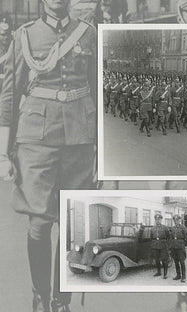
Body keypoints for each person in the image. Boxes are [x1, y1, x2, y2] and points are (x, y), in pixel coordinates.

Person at [0, 0, 96, 310]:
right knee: (39, 226)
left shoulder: (88, 33)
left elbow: (100, 93)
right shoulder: (24, 36)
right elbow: (9, 98)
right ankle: (41, 294)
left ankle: (61, 300)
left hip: (81, 139)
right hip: (36, 141)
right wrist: (3, 153)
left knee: (72, 226)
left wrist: (107, 158)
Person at [170, 215, 187, 283]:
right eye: (175, 220)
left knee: (182, 261)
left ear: (180, 220)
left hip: (180, 247)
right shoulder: (172, 228)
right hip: (174, 247)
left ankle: (183, 276)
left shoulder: (183, 227)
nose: (176, 221)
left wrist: (183, 244)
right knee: (176, 261)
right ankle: (178, 275)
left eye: (177, 220)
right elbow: (171, 237)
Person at [150, 213, 171, 279]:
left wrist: (167, 245)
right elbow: (151, 237)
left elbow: (169, 237)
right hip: (155, 245)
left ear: (161, 220)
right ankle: (159, 272)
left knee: (164, 260)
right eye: (156, 219)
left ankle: (165, 274)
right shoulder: (152, 228)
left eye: (159, 219)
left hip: (163, 246)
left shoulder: (165, 228)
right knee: (157, 259)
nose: (157, 221)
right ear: (155, 220)